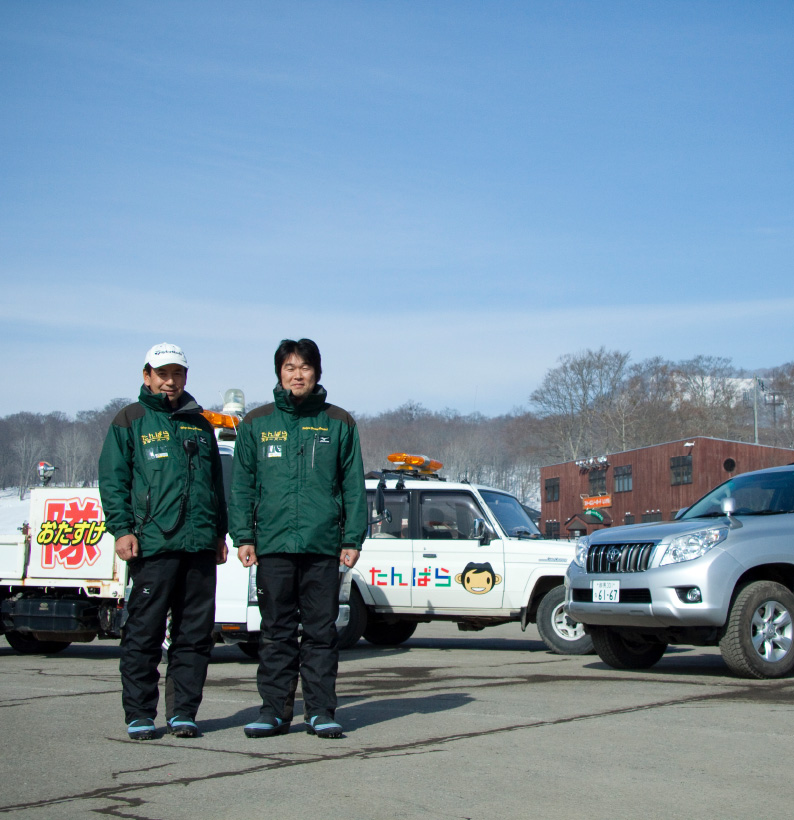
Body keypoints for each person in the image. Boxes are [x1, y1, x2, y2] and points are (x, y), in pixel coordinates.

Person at [229, 338, 367, 739]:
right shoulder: (256, 423)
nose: (297, 374)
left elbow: (354, 486)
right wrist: (244, 536)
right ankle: (273, 711)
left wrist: (352, 538)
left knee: (322, 632)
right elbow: (243, 487)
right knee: (275, 633)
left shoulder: (338, 422)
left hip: (323, 546)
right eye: (289, 367)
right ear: (279, 373)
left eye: (304, 367)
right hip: (273, 547)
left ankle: (321, 712)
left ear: (317, 372)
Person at [98, 343, 228, 740]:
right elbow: (114, 481)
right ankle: (139, 713)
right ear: (147, 376)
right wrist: (122, 530)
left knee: (194, 635)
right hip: (153, 544)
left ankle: (183, 714)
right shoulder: (129, 420)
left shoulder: (201, 423)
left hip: (200, 546)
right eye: (163, 373)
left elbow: (215, 486)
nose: (170, 381)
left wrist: (220, 533)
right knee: (144, 631)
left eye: (177, 374)